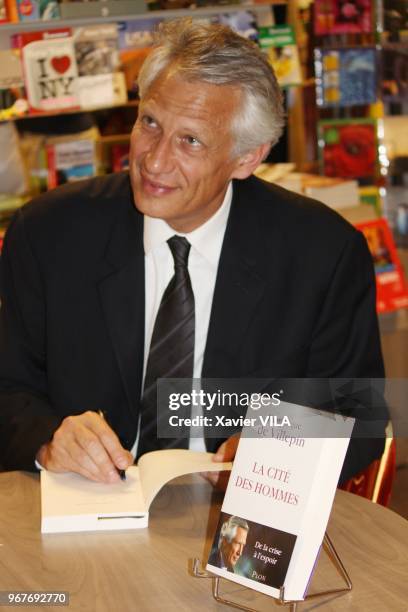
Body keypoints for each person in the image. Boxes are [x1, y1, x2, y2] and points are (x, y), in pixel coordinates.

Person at [0, 19, 386, 482]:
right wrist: (50, 438)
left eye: (190, 141)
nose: (155, 160)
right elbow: (8, 390)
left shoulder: (322, 253)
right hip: (86, 502)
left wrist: (283, 446)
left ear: (247, 158)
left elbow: (357, 415)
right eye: (150, 123)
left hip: (239, 509)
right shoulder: (49, 233)